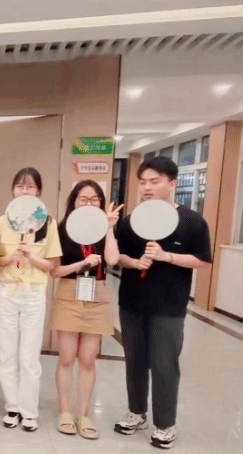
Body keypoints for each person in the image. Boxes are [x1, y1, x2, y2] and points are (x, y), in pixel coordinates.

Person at [113, 156, 211, 449]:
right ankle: (136, 412)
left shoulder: (192, 222)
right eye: (143, 182)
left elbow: (202, 260)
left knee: (164, 365)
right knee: (134, 361)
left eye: (154, 182)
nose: (147, 188)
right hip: (131, 302)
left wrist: (166, 256)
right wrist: (133, 261)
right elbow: (116, 256)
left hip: (169, 306)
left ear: (172, 184)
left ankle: (165, 424)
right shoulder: (130, 222)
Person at [50, 180, 122, 439]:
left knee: (88, 359)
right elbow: (55, 271)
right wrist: (83, 263)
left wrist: (110, 228)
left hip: (97, 294)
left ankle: (83, 414)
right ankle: (64, 411)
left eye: (95, 199)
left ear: (101, 203)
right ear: (74, 201)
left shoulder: (104, 230)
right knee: (66, 357)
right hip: (69, 293)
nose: (89, 203)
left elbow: (112, 259)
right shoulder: (61, 230)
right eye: (83, 199)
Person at [0, 167, 62, 432]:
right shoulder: (2, 222)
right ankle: (12, 406)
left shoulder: (48, 223)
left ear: (39, 191)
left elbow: (53, 265)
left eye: (30, 186)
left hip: (34, 293)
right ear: (13, 190)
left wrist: (31, 257)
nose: (25, 191)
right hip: (7, 290)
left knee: (30, 355)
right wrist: (9, 258)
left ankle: (29, 411)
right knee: (6, 352)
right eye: (20, 186)